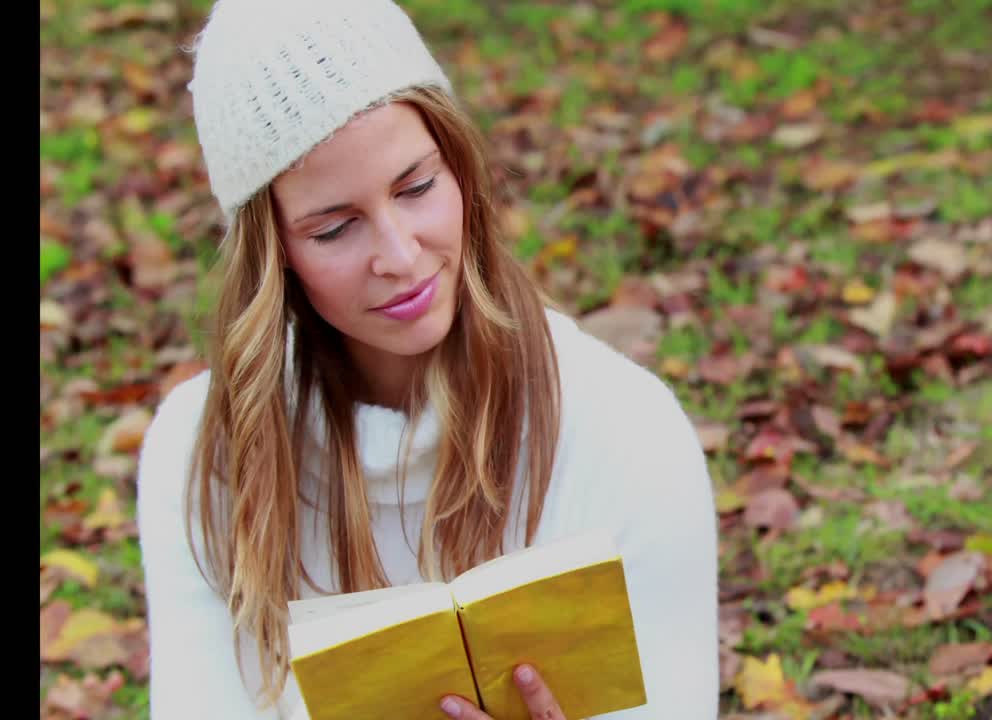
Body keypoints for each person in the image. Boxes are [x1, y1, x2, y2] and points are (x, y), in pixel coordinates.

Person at [135, 0, 720, 717]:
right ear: (274, 256)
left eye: (416, 188)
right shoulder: (204, 450)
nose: (401, 256)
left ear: (462, 169)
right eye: (335, 229)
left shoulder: (627, 429)